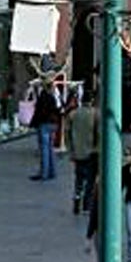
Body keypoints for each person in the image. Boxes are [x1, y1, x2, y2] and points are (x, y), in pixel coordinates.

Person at [66, 90, 99, 218]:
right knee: (89, 180)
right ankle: (86, 204)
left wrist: (71, 150)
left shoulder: (73, 114)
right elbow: (99, 133)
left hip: (77, 152)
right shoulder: (95, 114)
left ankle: (77, 197)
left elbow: (67, 133)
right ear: (91, 101)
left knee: (79, 178)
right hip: (91, 152)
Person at [29, 79, 61, 183]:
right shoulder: (53, 96)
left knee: (44, 149)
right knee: (50, 148)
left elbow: (39, 111)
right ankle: (52, 171)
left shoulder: (43, 96)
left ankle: (44, 173)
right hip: (53, 123)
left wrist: (34, 123)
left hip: (44, 123)